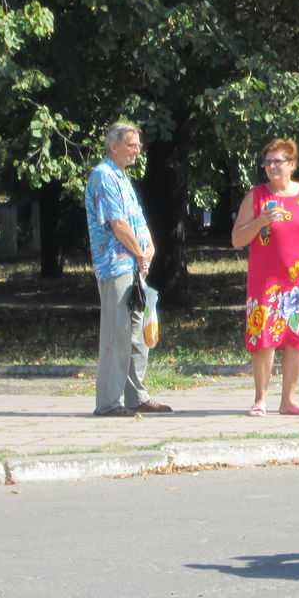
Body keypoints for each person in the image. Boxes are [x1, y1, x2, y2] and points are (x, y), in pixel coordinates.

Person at [232, 139, 299, 416]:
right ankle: (261, 399)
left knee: (296, 337)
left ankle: (288, 400)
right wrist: (260, 222)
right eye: (268, 162)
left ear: (291, 164)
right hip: (266, 281)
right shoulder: (256, 196)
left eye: (277, 161)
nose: (271, 167)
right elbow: (236, 239)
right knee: (264, 338)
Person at [84, 122, 173, 416]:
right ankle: (108, 402)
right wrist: (139, 254)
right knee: (118, 333)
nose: (137, 150)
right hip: (115, 266)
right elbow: (117, 224)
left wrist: (149, 248)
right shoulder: (103, 175)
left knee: (138, 334)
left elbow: (136, 218)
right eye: (132, 144)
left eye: (137, 145)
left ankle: (136, 396)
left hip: (133, 266)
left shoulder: (121, 177)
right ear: (114, 145)